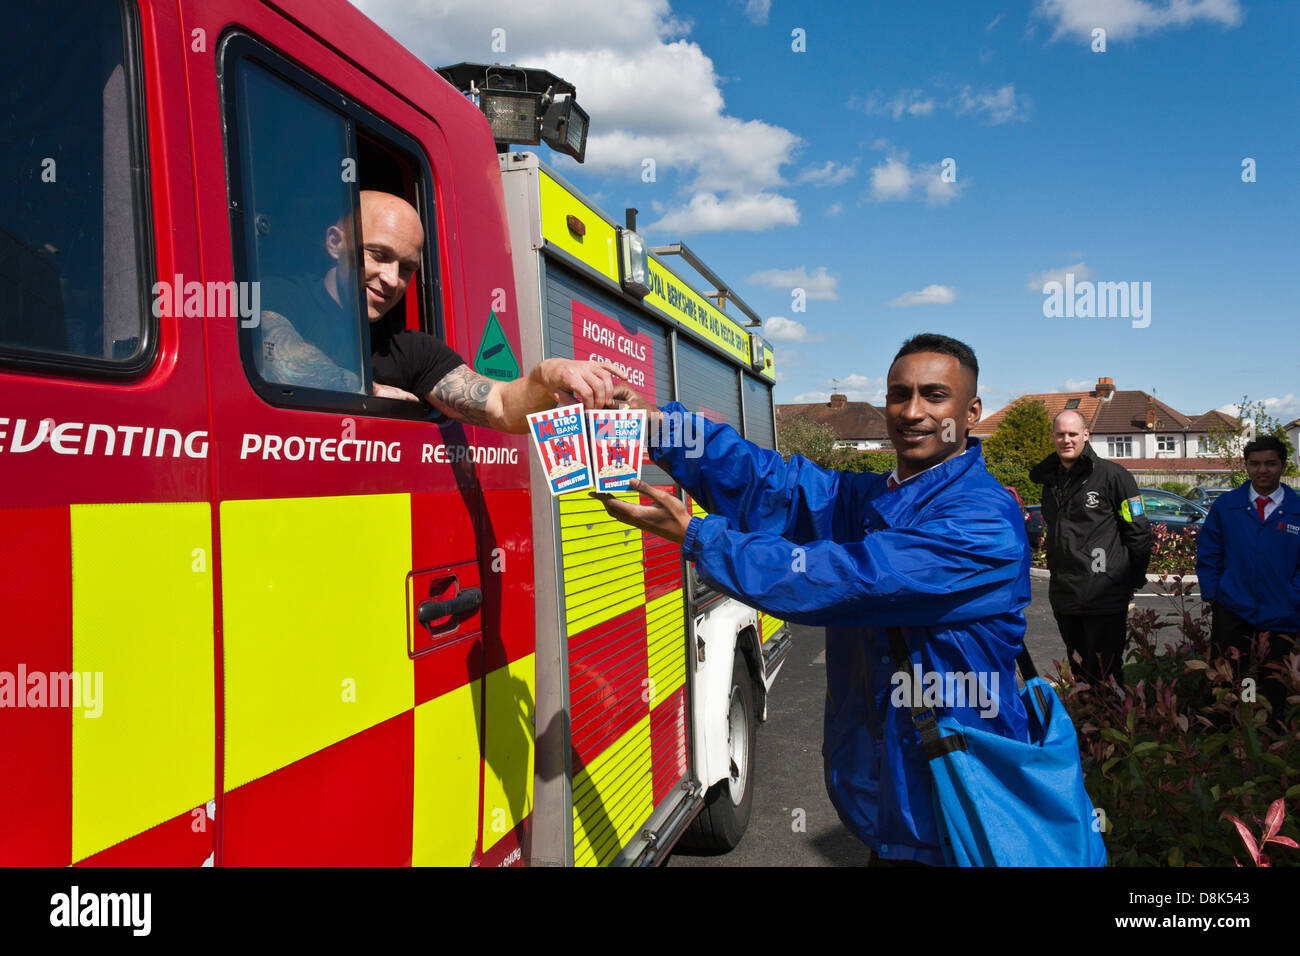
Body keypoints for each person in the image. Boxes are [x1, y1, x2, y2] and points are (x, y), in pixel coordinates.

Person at [595, 333, 1032, 866]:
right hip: (898, 810)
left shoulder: (982, 521)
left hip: (960, 806)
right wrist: (663, 428)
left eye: (934, 395)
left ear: (971, 411)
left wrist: (700, 537)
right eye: (899, 394)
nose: (912, 411)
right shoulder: (882, 497)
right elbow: (778, 487)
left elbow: (848, 578)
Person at [257, 190, 620, 432]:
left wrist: (545, 376)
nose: (391, 279)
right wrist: (364, 390)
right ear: (335, 243)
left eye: (408, 268)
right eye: (379, 255)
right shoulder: (275, 295)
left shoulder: (412, 351)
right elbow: (281, 356)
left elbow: (499, 405)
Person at [1028, 410, 1152, 687]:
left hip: (1104, 595)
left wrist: (1130, 578)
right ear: (1053, 437)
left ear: (1086, 435)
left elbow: (1139, 530)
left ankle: (1116, 727)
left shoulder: (1115, 476)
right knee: (1081, 674)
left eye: (1073, 433)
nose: (1066, 439)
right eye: (1060, 434)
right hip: (1065, 596)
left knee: (1106, 675)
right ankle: (1086, 728)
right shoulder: (1051, 481)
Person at [1196, 435, 1300, 720]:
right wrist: (1214, 594)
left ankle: (1268, 733)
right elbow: (1209, 552)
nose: (1262, 470)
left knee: (1274, 679)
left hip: (1283, 613)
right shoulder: (1227, 506)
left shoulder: (1296, 509)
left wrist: (1294, 596)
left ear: (1283, 465)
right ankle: (1232, 730)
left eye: (1270, 463)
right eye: (1255, 464)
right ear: (1246, 466)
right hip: (1233, 609)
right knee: (1233, 675)